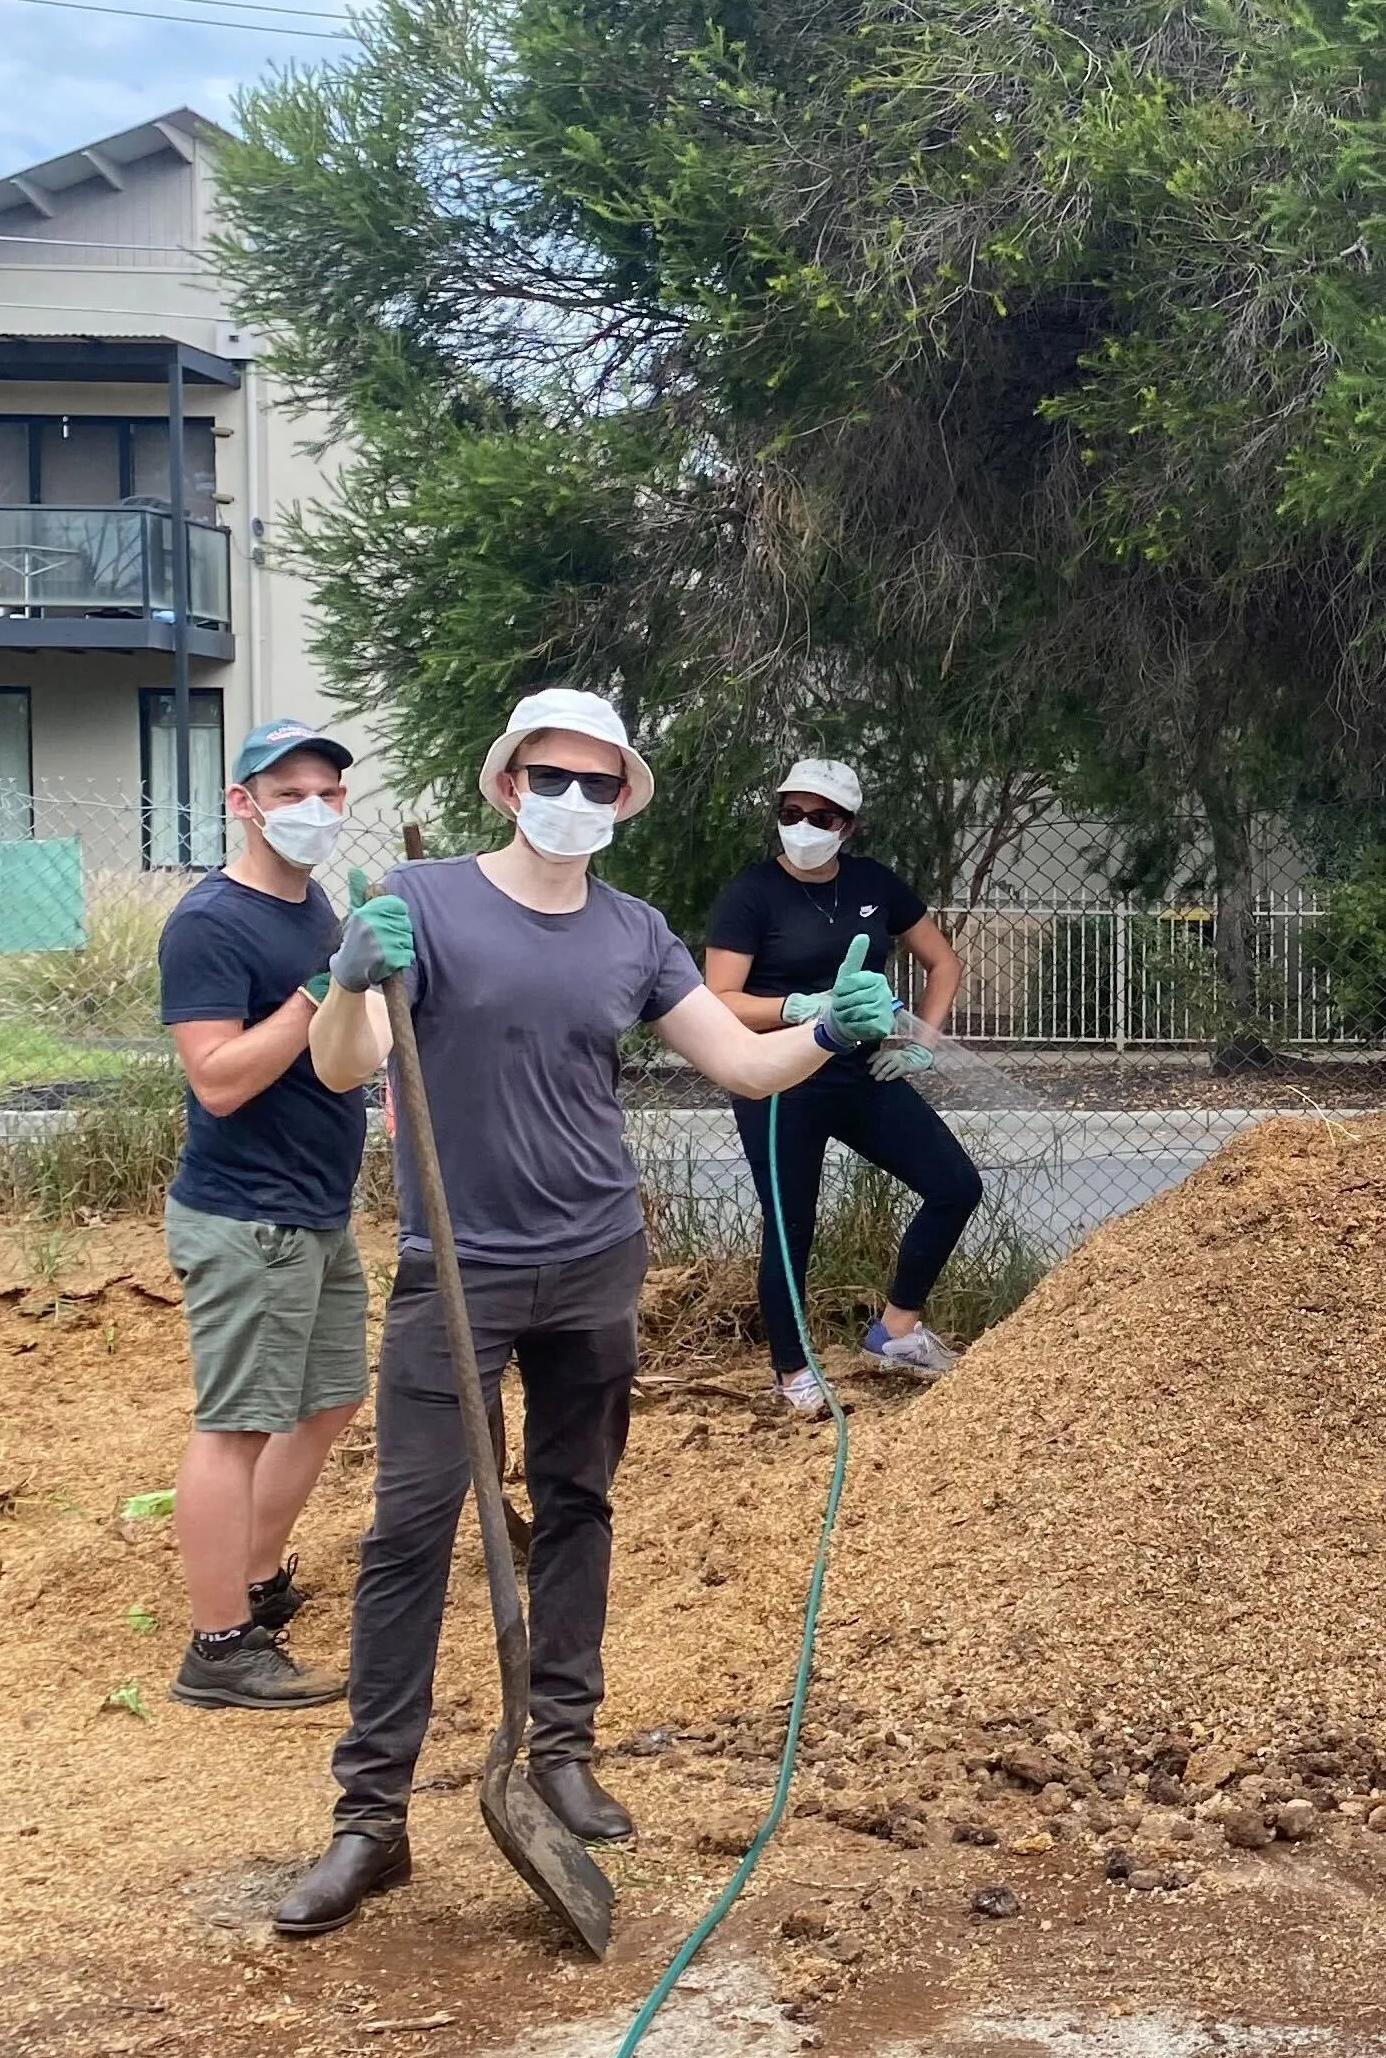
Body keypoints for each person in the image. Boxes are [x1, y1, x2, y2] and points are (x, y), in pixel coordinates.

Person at [270, 688, 900, 1938]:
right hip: (456, 1264)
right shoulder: (427, 901)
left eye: (599, 783)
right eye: (551, 777)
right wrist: (348, 981)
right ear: (508, 784)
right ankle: (371, 1818)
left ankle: (559, 1743)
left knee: (578, 1502)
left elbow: (741, 1059)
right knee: (408, 1531)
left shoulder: (636, 932)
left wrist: (827, 1027)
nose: (574, 801)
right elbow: (344, 1065)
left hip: (595, 1254)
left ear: (621, 798)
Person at [156, 719, 373, 1711]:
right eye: (289, 793)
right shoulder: (209, 924)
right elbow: (218, 1080)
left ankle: (254, 1576)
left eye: (329, 793)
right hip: (248, 1215)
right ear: (241, 801)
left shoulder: (315, 902)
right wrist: (319, 990)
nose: (314, 811)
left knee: (328, 1400)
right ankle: (217, 1644)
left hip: (316, 1208)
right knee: (236, 1423)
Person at [702, 758, 982, 1413]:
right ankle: (792, 1372)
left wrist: (921, 1044)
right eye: (790, 813)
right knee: (792, 1223)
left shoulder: (874, 884)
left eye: (820, 817)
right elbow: (718, 1000)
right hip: (776, 1079)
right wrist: (799, 1008)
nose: (803, 827)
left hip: (859, 1072)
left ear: (847, 827)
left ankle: (896, 1331)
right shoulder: (751, 894)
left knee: (955, 1185)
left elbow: (942, 962)